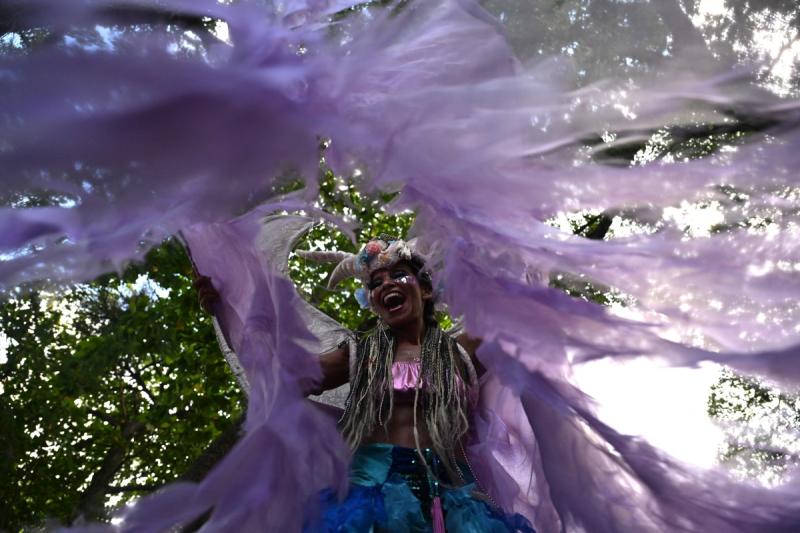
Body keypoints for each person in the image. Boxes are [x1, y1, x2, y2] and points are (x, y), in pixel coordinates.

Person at [196, 234, 535, 532]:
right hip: (372, 491)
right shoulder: (360, 355)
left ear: (427, 289)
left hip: (454, 496)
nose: (386, 284)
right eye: (375, 283)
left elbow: (517, 308)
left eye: (400, 275)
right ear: (373, 302)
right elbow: (283, 377)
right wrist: (230, 302)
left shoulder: (461, 352)